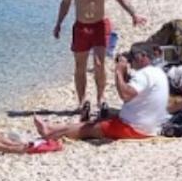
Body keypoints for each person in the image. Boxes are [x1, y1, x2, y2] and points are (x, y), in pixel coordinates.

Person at [53, 0, 148, 120]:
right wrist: (58, 23)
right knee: (80, 66)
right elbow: (66, 2)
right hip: (81, 27)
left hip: (99, 26)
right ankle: (82, 101)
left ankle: (101, 98)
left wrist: (134, 14)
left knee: (99, 63)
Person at [34, 47, 169, 141]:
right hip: (149, 126)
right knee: (102, 118)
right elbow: (135, 91)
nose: (131, 62)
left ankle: (50, 132)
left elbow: (125, 95)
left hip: (135, 129)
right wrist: (124, 73)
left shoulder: (144, 75)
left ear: (143, 57)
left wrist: (118, 72)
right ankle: (54, 127)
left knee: (89, 128)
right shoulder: (156, 72)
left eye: (133, 58)